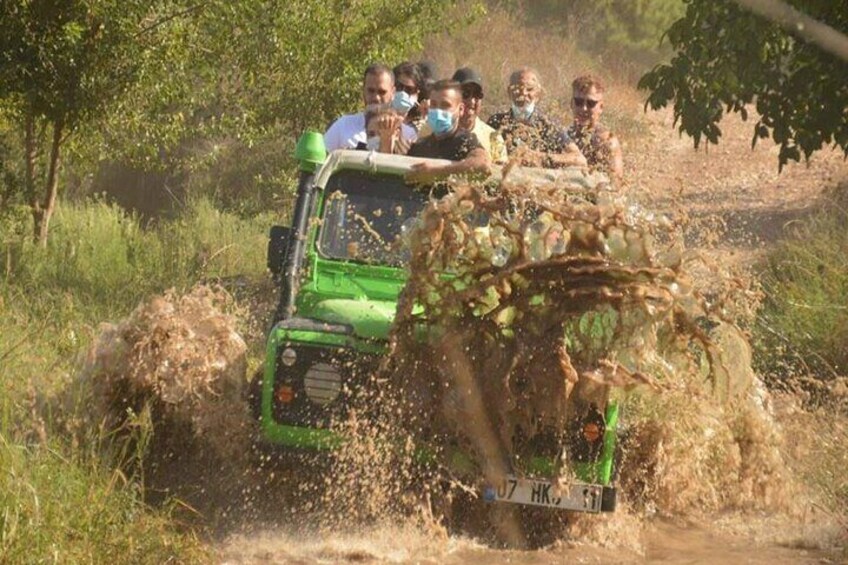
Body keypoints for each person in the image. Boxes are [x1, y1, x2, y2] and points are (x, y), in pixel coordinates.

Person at [487, 68, 586, 168]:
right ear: (509, 92)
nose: (523, 93)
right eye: (517, 89)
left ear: (538, 94)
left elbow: (579, 159)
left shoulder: (548, 125)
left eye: (529, 89)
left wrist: (540, 157)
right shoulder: (496, 122)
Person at [405, 80, 491, 184]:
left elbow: (483, 166)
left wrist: (436, 173)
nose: (438, 111)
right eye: (434, 105)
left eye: (445, 105)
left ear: (460, 110)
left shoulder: (465, 141)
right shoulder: (419, 146)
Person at [324, 63, 417, 151]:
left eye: (382, 92)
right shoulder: (342, 126)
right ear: (363, 90)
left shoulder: (408, 135)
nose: (376, 97)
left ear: (393, 92)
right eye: (371, 91)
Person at [567, 74, 623, 179]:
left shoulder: (607, 141)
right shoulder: (565, 135)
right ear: (571, 104)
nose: (583, 108)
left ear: (601, 107)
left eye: (591, 103)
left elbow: (616, 181)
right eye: (578, 102)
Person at [391, 61, 423, 126]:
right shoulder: (373, 119)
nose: (402, 93)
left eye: (409, 89)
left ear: (417, 93)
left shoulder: (420, 127)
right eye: (398, 86)